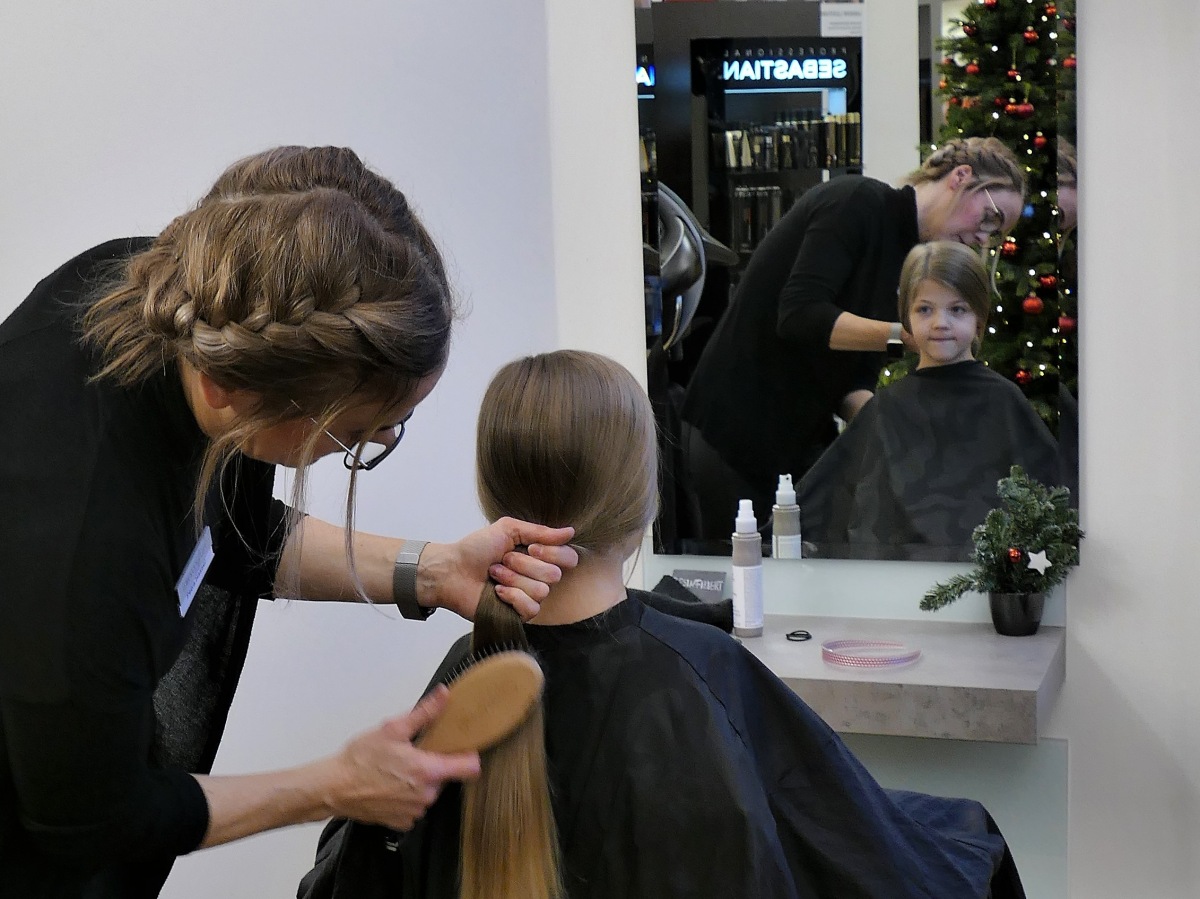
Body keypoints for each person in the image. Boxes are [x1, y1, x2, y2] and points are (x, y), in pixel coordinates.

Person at [0, 146, 579, 899]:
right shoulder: (81, 546)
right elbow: (94, 818)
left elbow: (235, 535)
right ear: (231, 389)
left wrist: (435, 570)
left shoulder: (197, 302)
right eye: (360, 434)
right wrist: (335, 784)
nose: (369, 447)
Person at [298, 349, 1026, 899]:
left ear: (495, 499)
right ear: (644, 499)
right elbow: (862, 849)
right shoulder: (702, 670)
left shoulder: (468, 670)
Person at [680, 137, 1027, 540]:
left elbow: (851, 382)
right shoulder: (855, 201)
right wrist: (908, 336)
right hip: (732, 432)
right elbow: (799, 314)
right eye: (989, 217)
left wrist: (900, 430)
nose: (986, 238)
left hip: (793, 447)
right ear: (960, 177)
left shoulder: (908, 262)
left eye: (997, 233)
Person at [796, 241, 1065, 556]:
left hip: (987, 587)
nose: (940, 322)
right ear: (907, 318)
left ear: (979, 317)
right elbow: (818, 506)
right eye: (925, 309)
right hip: (897, 587)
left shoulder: (1004, 401)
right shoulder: (886, 407)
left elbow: (1054, 502)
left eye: (957, 309)